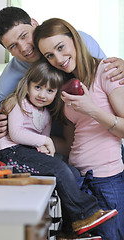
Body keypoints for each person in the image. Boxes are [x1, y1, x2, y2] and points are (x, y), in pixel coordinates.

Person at [0, 59, 117, 239]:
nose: (43, 94)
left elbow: (43, 145)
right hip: (9, 154)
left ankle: (70, 229)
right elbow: (16, 133)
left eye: (50, 90)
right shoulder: (17, 103)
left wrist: (46, 149)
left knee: (72, 172)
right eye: (38, 87)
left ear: (57, 94)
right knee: (59, 169)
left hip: (27, 154)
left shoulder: (45, 115)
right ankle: (87, 214)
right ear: (27, 85)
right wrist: (46, 141)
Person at [0, 7, 124, 152]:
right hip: (55, 156)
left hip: (106, 146)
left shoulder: (77, 42)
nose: (23, 48)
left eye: (24, 36)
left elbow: (109, 82)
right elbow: (0, 143)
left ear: (34, 23)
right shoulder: (7, 83)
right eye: (13, 46)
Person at [33, 17, 124, 240]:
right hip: (77, 182)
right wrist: (35, 144)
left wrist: (91, 109)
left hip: (107, 180)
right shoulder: (64, 88)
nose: (58, 59)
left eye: (60, 47)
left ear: (74, 39)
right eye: (49, 55)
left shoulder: (106, 70)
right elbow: (71, 141)